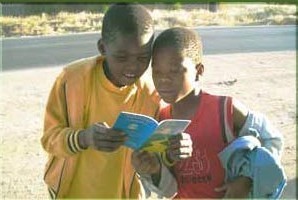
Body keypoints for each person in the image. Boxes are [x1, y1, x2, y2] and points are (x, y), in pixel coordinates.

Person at [132, 27, 285, 198]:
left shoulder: (226, 110)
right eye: (157, 72)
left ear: (198, 71)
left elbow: (272, 140)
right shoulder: (161, 121)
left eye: (174, 70)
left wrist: (247, 179)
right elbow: (169, 190)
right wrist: (154, 170)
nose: (163, 80)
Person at [41, 3, 161, 198]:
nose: (133, 66)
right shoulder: (71, 80)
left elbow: (152, 156)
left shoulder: (151, 97)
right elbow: (49, 139)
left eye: (143, 58)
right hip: (71, 192)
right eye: (122, 57)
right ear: (102, 48)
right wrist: (84, 138)